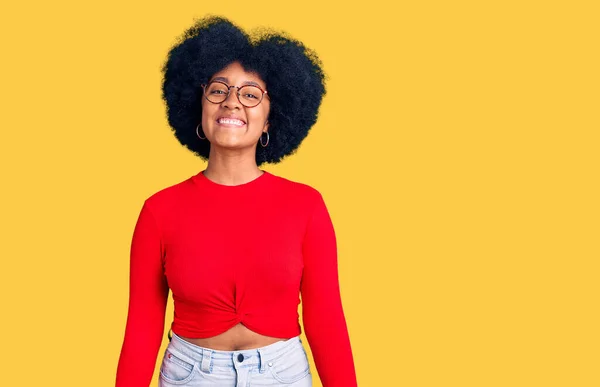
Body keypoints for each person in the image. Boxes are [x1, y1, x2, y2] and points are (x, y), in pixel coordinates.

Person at [115, 16, 357, 387]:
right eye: (218, 90)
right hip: (190, 375)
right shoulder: (159, 211)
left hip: (283, 375)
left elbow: (326, 320)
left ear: (270, 118)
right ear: (199, 105)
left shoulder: (306, 206)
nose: (231, 103)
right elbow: (142, 327)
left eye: (250, 93)